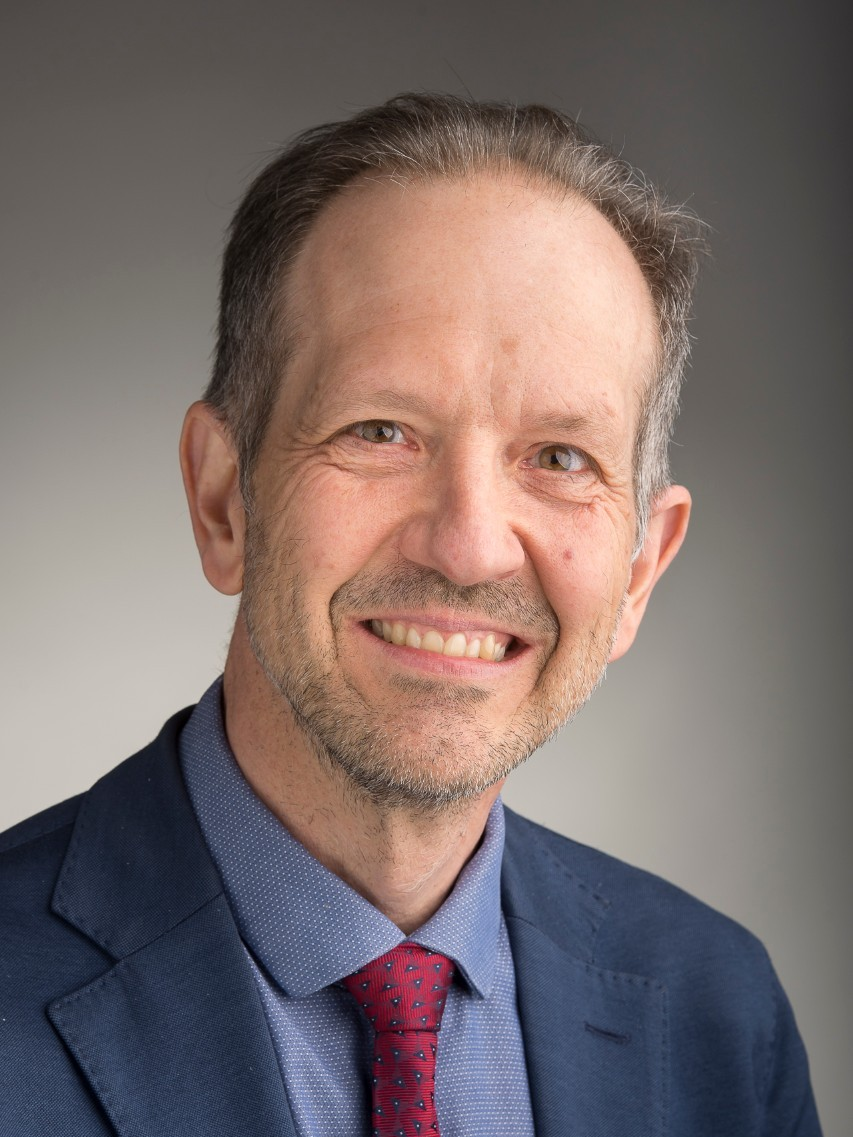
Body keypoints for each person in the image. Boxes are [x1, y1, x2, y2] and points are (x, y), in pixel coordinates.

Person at [0, 93, 821, 1136]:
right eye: (380, 430)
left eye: (559, 456)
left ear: (638, 571)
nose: (468, 545)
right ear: (223, 501)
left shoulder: (720, 1019)